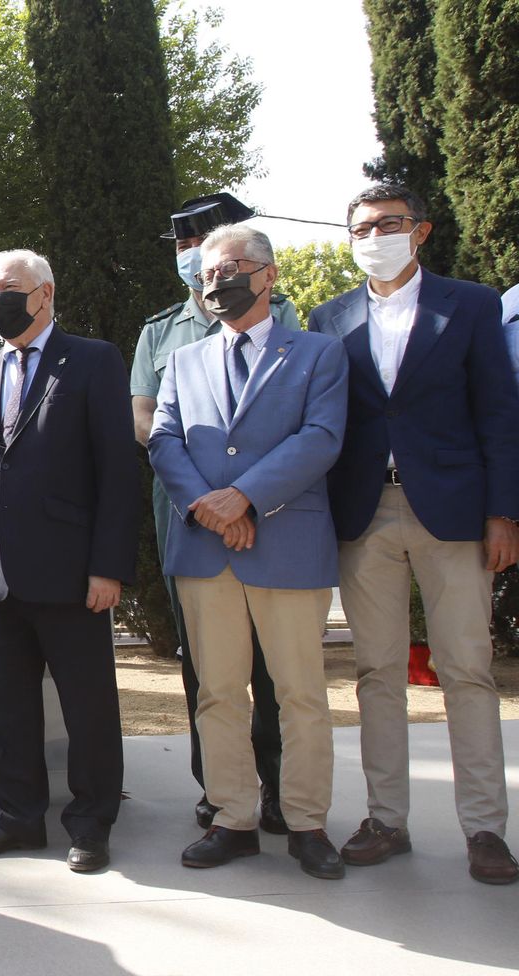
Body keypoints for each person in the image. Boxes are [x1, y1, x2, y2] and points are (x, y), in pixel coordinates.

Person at [309, 184, 519, 885]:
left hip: (454, 512)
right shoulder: (328, 317)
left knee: (466, 669)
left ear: (420, 230)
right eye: (362, 227)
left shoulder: (472, 304)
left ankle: (486, 828)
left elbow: (498, 410)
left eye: (388, 223)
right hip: (365, 515)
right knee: (375, 674)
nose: (375, 235)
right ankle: (385, 820)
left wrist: (503, 512)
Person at [149, 224, 350, 880]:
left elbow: (320, 437)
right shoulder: (182, 361)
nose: (216, 281)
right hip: (207, 549)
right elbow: (165, 440)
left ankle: (306, 820)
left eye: (231, 267)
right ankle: (232, 815)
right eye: (208, 273)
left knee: (299, 694)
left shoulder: (319, 353)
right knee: (218, 691)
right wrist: (210, 506)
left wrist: (246, 498)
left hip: (287, 544)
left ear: (267, 275)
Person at [0, 249, 139, 872]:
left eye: (10, 287)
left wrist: (108, 567)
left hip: (73, 574)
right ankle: (19, 818)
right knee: (12, 708)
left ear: (45, 294)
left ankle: (90, 822)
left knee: (88, 707)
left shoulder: (93, 360)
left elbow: (117, 471)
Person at [132, 193, 300, 833]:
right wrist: (208, 498)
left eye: (197, 241)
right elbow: (146, 420)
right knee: (204, 659)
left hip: (270, 510)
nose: (188, 255)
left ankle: (280, 785)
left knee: (272, 660)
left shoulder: (283, 317)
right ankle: (219, 786)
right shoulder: (161, 330)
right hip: (187, 509)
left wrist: (246, 495)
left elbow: (296, 417)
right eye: (179, 245)